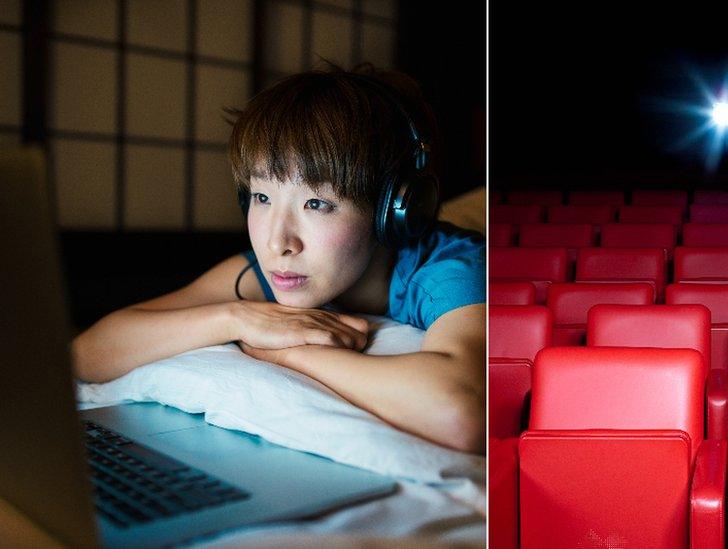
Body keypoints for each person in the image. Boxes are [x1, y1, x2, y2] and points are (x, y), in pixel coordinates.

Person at [71, 66, 486, 454]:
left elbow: (458, 414)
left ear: (395, 210)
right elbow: (87, 353)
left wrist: (285, 354)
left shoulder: (448, 270)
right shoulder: (274, 270)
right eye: (262, 197)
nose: (277, 242)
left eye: (317, 203)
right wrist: (236, 318)